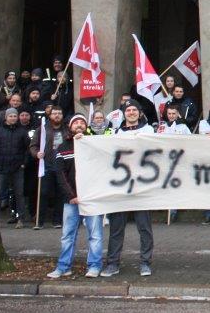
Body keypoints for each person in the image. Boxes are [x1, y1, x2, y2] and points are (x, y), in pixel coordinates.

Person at [47, 114, 105, 279]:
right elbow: (60, 175)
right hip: (72, 200)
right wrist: (71, 195)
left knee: (95, 235)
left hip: (92, 199)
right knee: (67, 235)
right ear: (70, 127)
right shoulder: (62, 148)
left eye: (82, 122)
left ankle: (94, 266)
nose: (79, 125)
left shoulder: (95, 145)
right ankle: (64, 267)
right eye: (76, 123)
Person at [101, 102, 155, 278]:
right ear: (124, 114)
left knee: (144, 227)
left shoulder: (149, 131)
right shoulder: (116, 133)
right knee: (116, 227)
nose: (131, 113)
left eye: (134, 110)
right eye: (128, 111)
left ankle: (145, 263)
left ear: (139, 113)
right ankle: (113, 263)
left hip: (142, 186)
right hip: (121, 186)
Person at [0, 107, 31, 228]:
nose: (13, 118)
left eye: (15, 116)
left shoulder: (22, 132)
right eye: (11, 116)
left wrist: (24, 162)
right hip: (2, 166)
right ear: (6, 117)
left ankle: (21, 219)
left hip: (17, 167)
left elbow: (27, 149)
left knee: (19, 193)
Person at [30, 104, 66, 229]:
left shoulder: (66, 129)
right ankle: (39, 221)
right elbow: (33, 145)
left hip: (62, 167)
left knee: (60, 193)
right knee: (43, 192)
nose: (57, 116)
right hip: (47, 165)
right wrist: (36, 153)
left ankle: (57, 220)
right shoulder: (43, 129)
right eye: (54, 113)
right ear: (50, 115)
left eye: (59, 113)